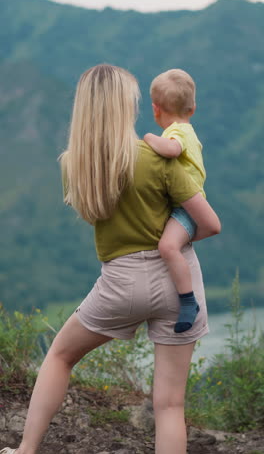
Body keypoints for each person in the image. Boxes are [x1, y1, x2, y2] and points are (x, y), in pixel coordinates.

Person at [1, 64, 221, 454]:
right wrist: (172, 243)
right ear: (127, 106)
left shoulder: (75, 164)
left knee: (61, 356)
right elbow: (210, 223)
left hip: (119, 282)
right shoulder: (157, 158)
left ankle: (25, 451)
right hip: (177, 283)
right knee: (170, 405)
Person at [144, 68, 207, 333]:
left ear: (155, 109)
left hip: (187, 208)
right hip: (185, 207)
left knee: (168, 247)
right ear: (192, 108)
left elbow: (172, 149)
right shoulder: (187, 128)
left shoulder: (177, 132)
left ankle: (188, 301)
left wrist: (148, 138)